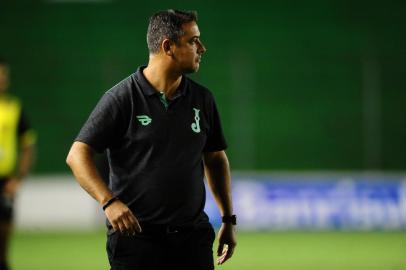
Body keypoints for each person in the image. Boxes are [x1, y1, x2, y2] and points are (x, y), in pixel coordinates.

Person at [66, 9, 236, 270]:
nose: (202, 48)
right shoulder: (122, 98)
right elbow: (77, 155)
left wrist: (228, 219)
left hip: (192, 241)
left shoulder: (203, 100)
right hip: (136, 243)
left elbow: (215, 159)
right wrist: (109, 202)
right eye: (193, 41)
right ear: (168, 46)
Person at [0, 57, 36, 270]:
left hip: (5, 183)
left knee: (3, 236)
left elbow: (28, 146)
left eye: (4, 75)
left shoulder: (14, 108)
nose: (2, 79)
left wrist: (18, 179)